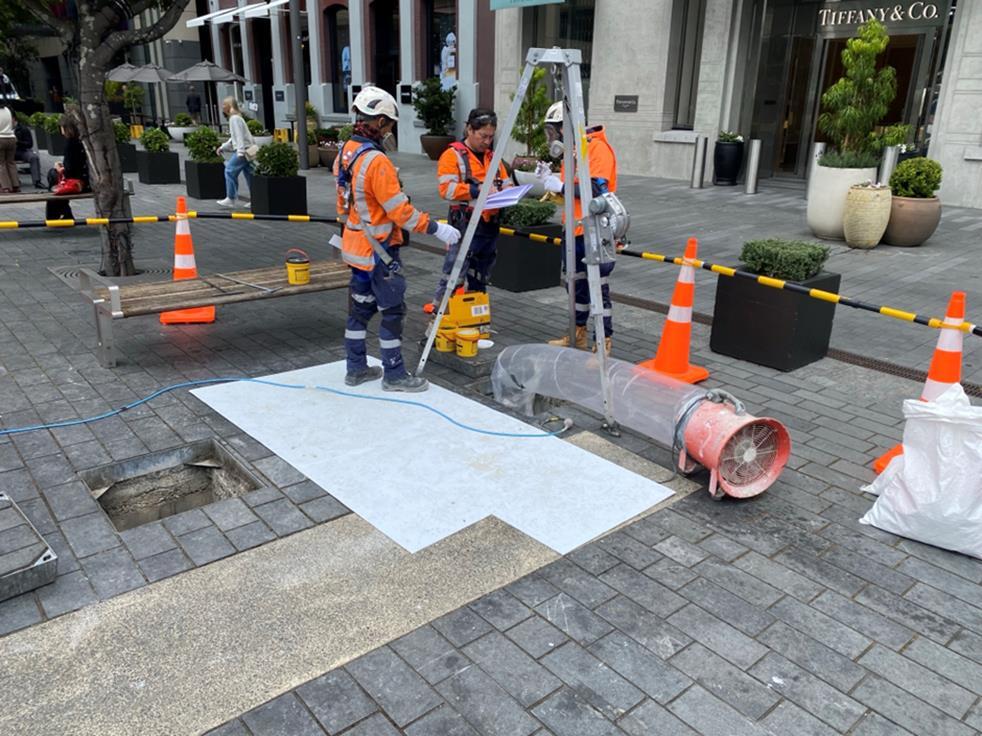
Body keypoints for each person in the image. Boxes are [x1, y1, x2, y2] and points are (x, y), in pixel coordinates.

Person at [333, 86, 461, 392]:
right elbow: (400, 212)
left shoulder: (345, 152)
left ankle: (356, 368)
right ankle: (394, 375)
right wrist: (436, 228)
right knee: (392, 312)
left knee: (360, 309)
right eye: (389, 123)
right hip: (379, 253)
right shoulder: (377, 162)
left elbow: (343, 205)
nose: (390, 129)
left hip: (355, 250)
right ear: (378, 121)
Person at [538, 101, 618, 354]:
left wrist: (559, 186)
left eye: (555, 129)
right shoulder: (573, 151)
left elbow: (595, 190)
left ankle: (603, 342)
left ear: (567, 127)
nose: (553, 136)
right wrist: (549, 184)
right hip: (574, 231)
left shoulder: (596, 149)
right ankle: (579, 333)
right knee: (576, 286)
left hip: (594, 230)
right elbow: (572, 195)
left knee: (597, 286)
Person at [426, 107, 509, 312]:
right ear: (470, 130)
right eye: (483, 136)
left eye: (491, 137)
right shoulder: (452, 156)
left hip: (489, 225)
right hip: (464, 223)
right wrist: (476, 189)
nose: (487, 141)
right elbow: (446, 190)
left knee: (481, 274)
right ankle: (442, 312)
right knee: (455, 271)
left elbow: (506, 183)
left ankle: (474, 315)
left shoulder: (492, 158)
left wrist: (507, 191)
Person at [46, 115, 90, 220]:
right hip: (86, 179)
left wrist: (60, 168)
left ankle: (57, 215)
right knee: (54, 179)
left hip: (77, 182)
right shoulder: (83, 141)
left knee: (52, 174)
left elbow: (70, 170)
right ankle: (64, 213)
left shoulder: (71, 144)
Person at [215, 97, 254, 208]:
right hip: (247, 150)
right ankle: (255, 199)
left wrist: (240, 152)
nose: (222, 106)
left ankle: (231, 198)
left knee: (229, 170)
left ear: (229, 106)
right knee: (249, 175)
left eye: (224, 104)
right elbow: (235, 138)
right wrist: (223, 147)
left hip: (243, 151)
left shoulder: (234, 119)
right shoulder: (237, 118)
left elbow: (238, 137)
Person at [14, 115, 43, 189]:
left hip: (21, 151)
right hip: (7, 152)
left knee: (34, 157)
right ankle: (11, 181)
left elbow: (29, 144)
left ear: (13, 118)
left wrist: (18, 142)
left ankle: (37, 181)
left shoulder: (23, 129)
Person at [0, 101, 18, 192]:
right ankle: (15, 185)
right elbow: (13, 124)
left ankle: (5, 187)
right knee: (11, 162)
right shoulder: (7, 110)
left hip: (0, 138)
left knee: (1, 164)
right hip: (11, 138)